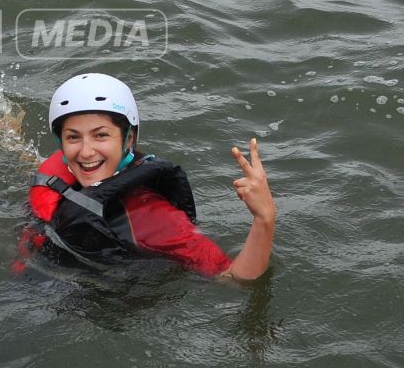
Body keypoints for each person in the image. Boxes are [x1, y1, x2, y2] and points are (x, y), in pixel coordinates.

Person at [20, 72, 277, 280]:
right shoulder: (68, 171)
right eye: (73, 137)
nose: (86, 152)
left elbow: (231, 278)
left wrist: (264, 219)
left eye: (101, 135)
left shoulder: (152, 217)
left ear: (128, 138)